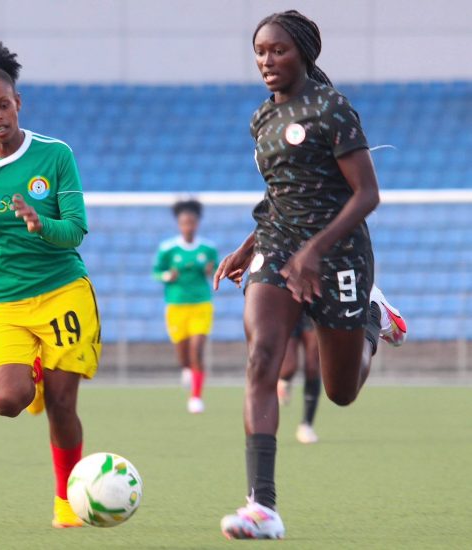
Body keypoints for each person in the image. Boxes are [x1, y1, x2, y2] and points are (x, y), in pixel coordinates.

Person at [214, 11, 407, 539]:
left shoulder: (332, 109)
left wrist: (316, 251)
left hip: (340, 254)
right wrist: (247, 245)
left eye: (278, 50)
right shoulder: (261, 119)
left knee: (342, 391)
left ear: (303, 53)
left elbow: (367, 194)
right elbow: (280, 196)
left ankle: (372, 317)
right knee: (260, 359)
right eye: (260, 51)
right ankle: (263, 507)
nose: (267, 61)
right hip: (277, 249)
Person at [0, 36, 101, 528]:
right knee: (7, 400)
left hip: (61, 292)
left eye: (4, 105)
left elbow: (74, 229)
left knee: (60, 403)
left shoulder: (55, 156)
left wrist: (40, 224)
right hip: (3, 302)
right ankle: (28, 366)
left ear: (18, 103)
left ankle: (66, 502)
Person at [153, 199, 218, 414]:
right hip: (176, 305)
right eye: (184, 223)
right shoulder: (168, 249)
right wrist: (166, 276)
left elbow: (215, 270)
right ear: (179, 224)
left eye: (191, 222)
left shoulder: (208, 248)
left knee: (196, 350)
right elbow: (156, 272)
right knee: (183, 355)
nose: (188, 226)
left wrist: (211, 271)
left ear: (197, 223)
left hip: (201, 304)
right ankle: (186, 370)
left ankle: (196, 397)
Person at [277, 313, 321, 444]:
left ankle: (307, 424)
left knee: (313, 366)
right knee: (289, 367)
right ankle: (283, 381)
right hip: (290, 305)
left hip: (314, 308)